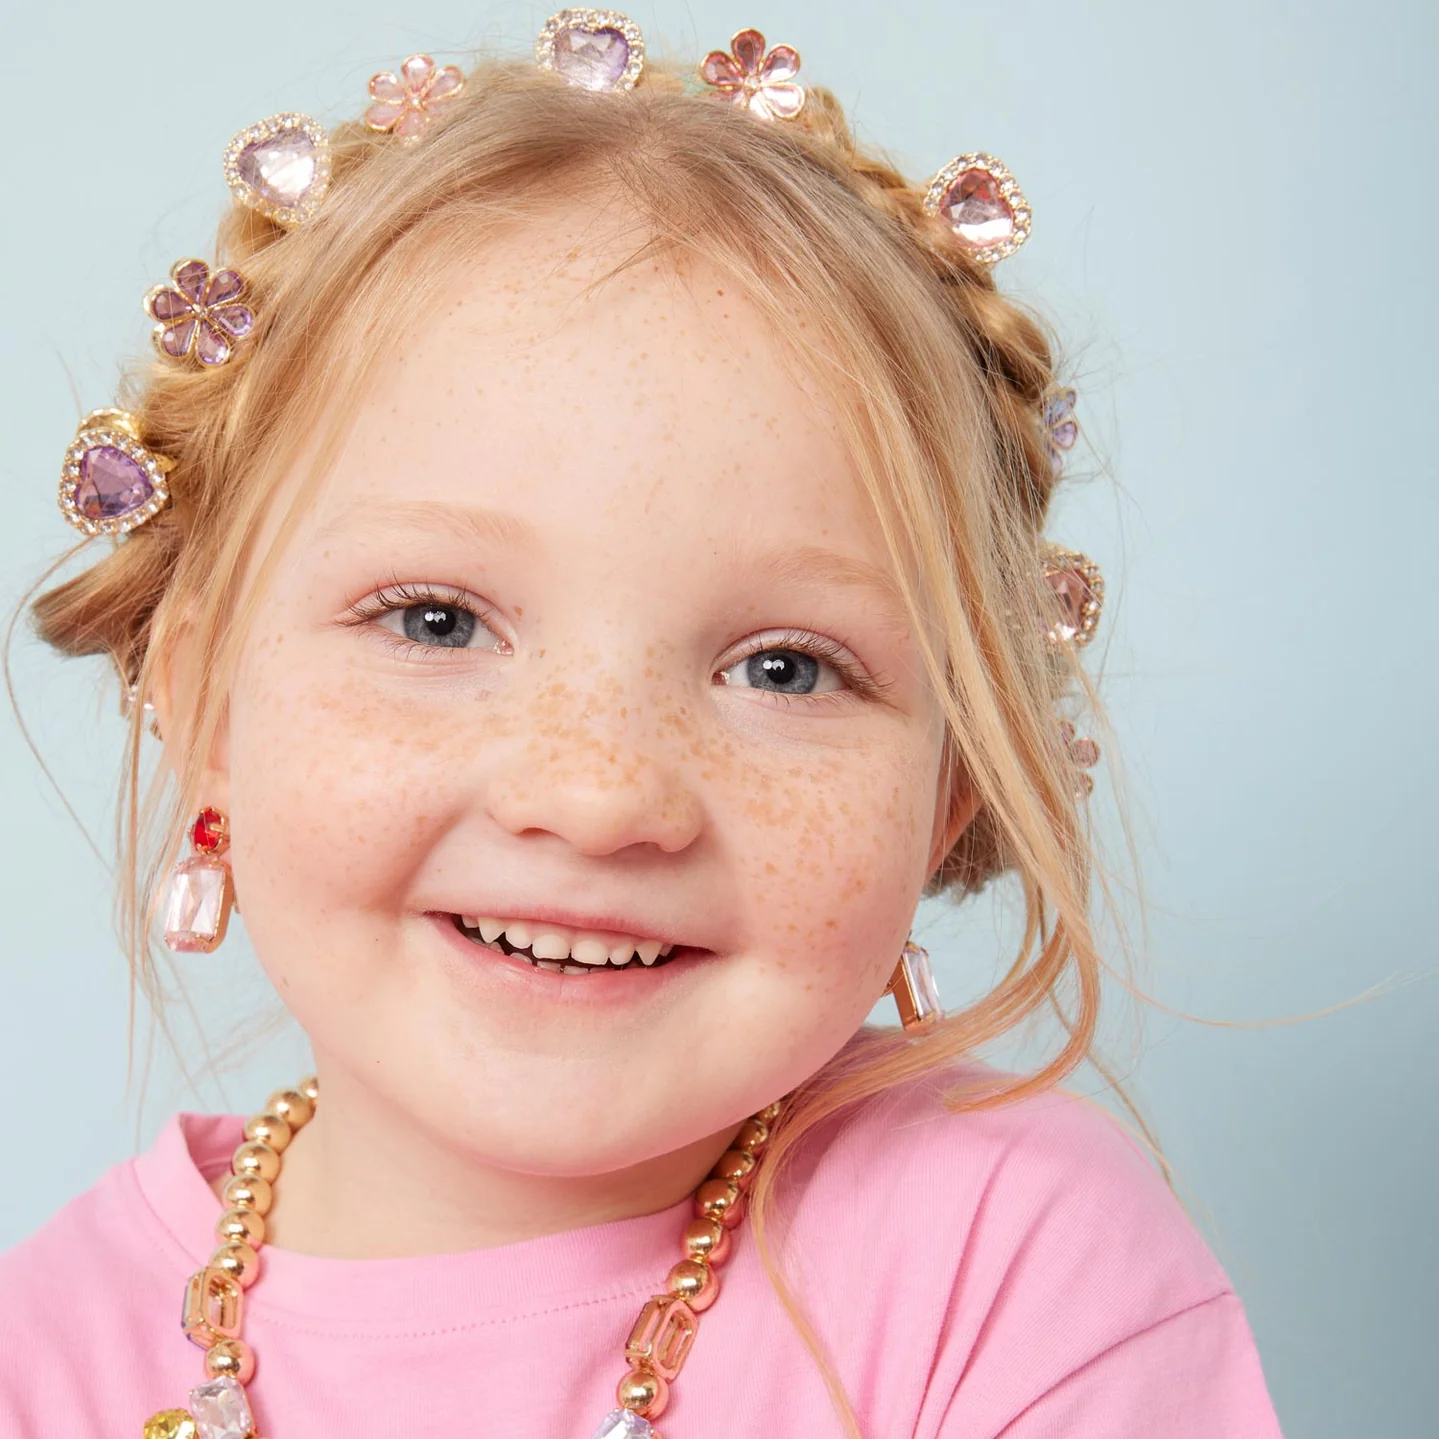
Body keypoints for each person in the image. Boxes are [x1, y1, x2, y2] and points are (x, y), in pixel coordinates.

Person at [0, 14, 1284, 1438]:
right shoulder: (46, 1357)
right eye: (436, 621)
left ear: (950, 788)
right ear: (202, 701)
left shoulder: (1010, 1271)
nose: (598, 794)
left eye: (785, 668)